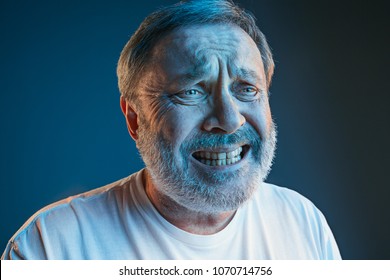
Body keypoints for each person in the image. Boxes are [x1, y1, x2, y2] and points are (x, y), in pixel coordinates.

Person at [1, 0, 341, 260]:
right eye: (191, 91)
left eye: (246, 89)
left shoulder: (302, 222)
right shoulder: (52, 246)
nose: (229, 118)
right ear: (135, 119)